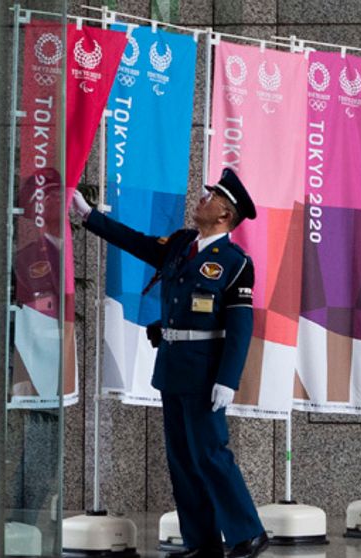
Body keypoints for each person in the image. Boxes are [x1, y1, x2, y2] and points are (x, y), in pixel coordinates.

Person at [71, 169, 269, 558]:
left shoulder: (234, 263)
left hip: (205, 373)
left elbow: (240, 327)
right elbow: (137, 243)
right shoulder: (181, 244)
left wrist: (228, 379)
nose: (202, 198)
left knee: (210, 454)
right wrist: (89, 215)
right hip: (173, 367)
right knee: (182, 459)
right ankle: (202, 541)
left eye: (211, 197)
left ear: (225, 215)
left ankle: (249, 533)